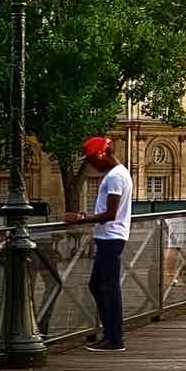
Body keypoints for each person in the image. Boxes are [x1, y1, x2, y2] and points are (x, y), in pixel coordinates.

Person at [64, 136, 133, 352]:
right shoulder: (121, 173)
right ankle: (110, 333)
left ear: (102, 155)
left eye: (92, 159)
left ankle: (114, 338)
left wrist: (81, 219)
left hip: (111, 238)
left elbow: (111, 213)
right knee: (99, 285)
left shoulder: (114, 178)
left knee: (108, 288)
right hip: (111, 237)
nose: (91, 164)